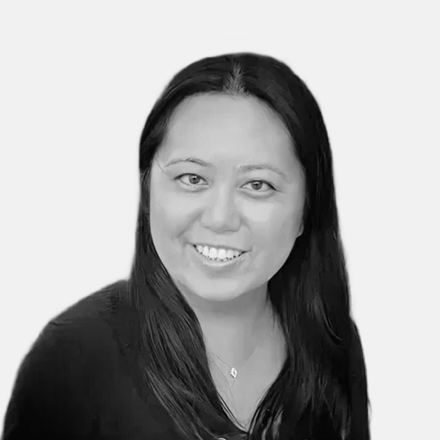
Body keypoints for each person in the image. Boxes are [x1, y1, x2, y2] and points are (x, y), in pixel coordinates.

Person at [1, 52, 370, 440]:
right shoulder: (72, 357)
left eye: (257, 185)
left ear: (308, 208)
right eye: (192, 178)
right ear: (147, 189)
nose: (220, 218)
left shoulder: (330, 339)